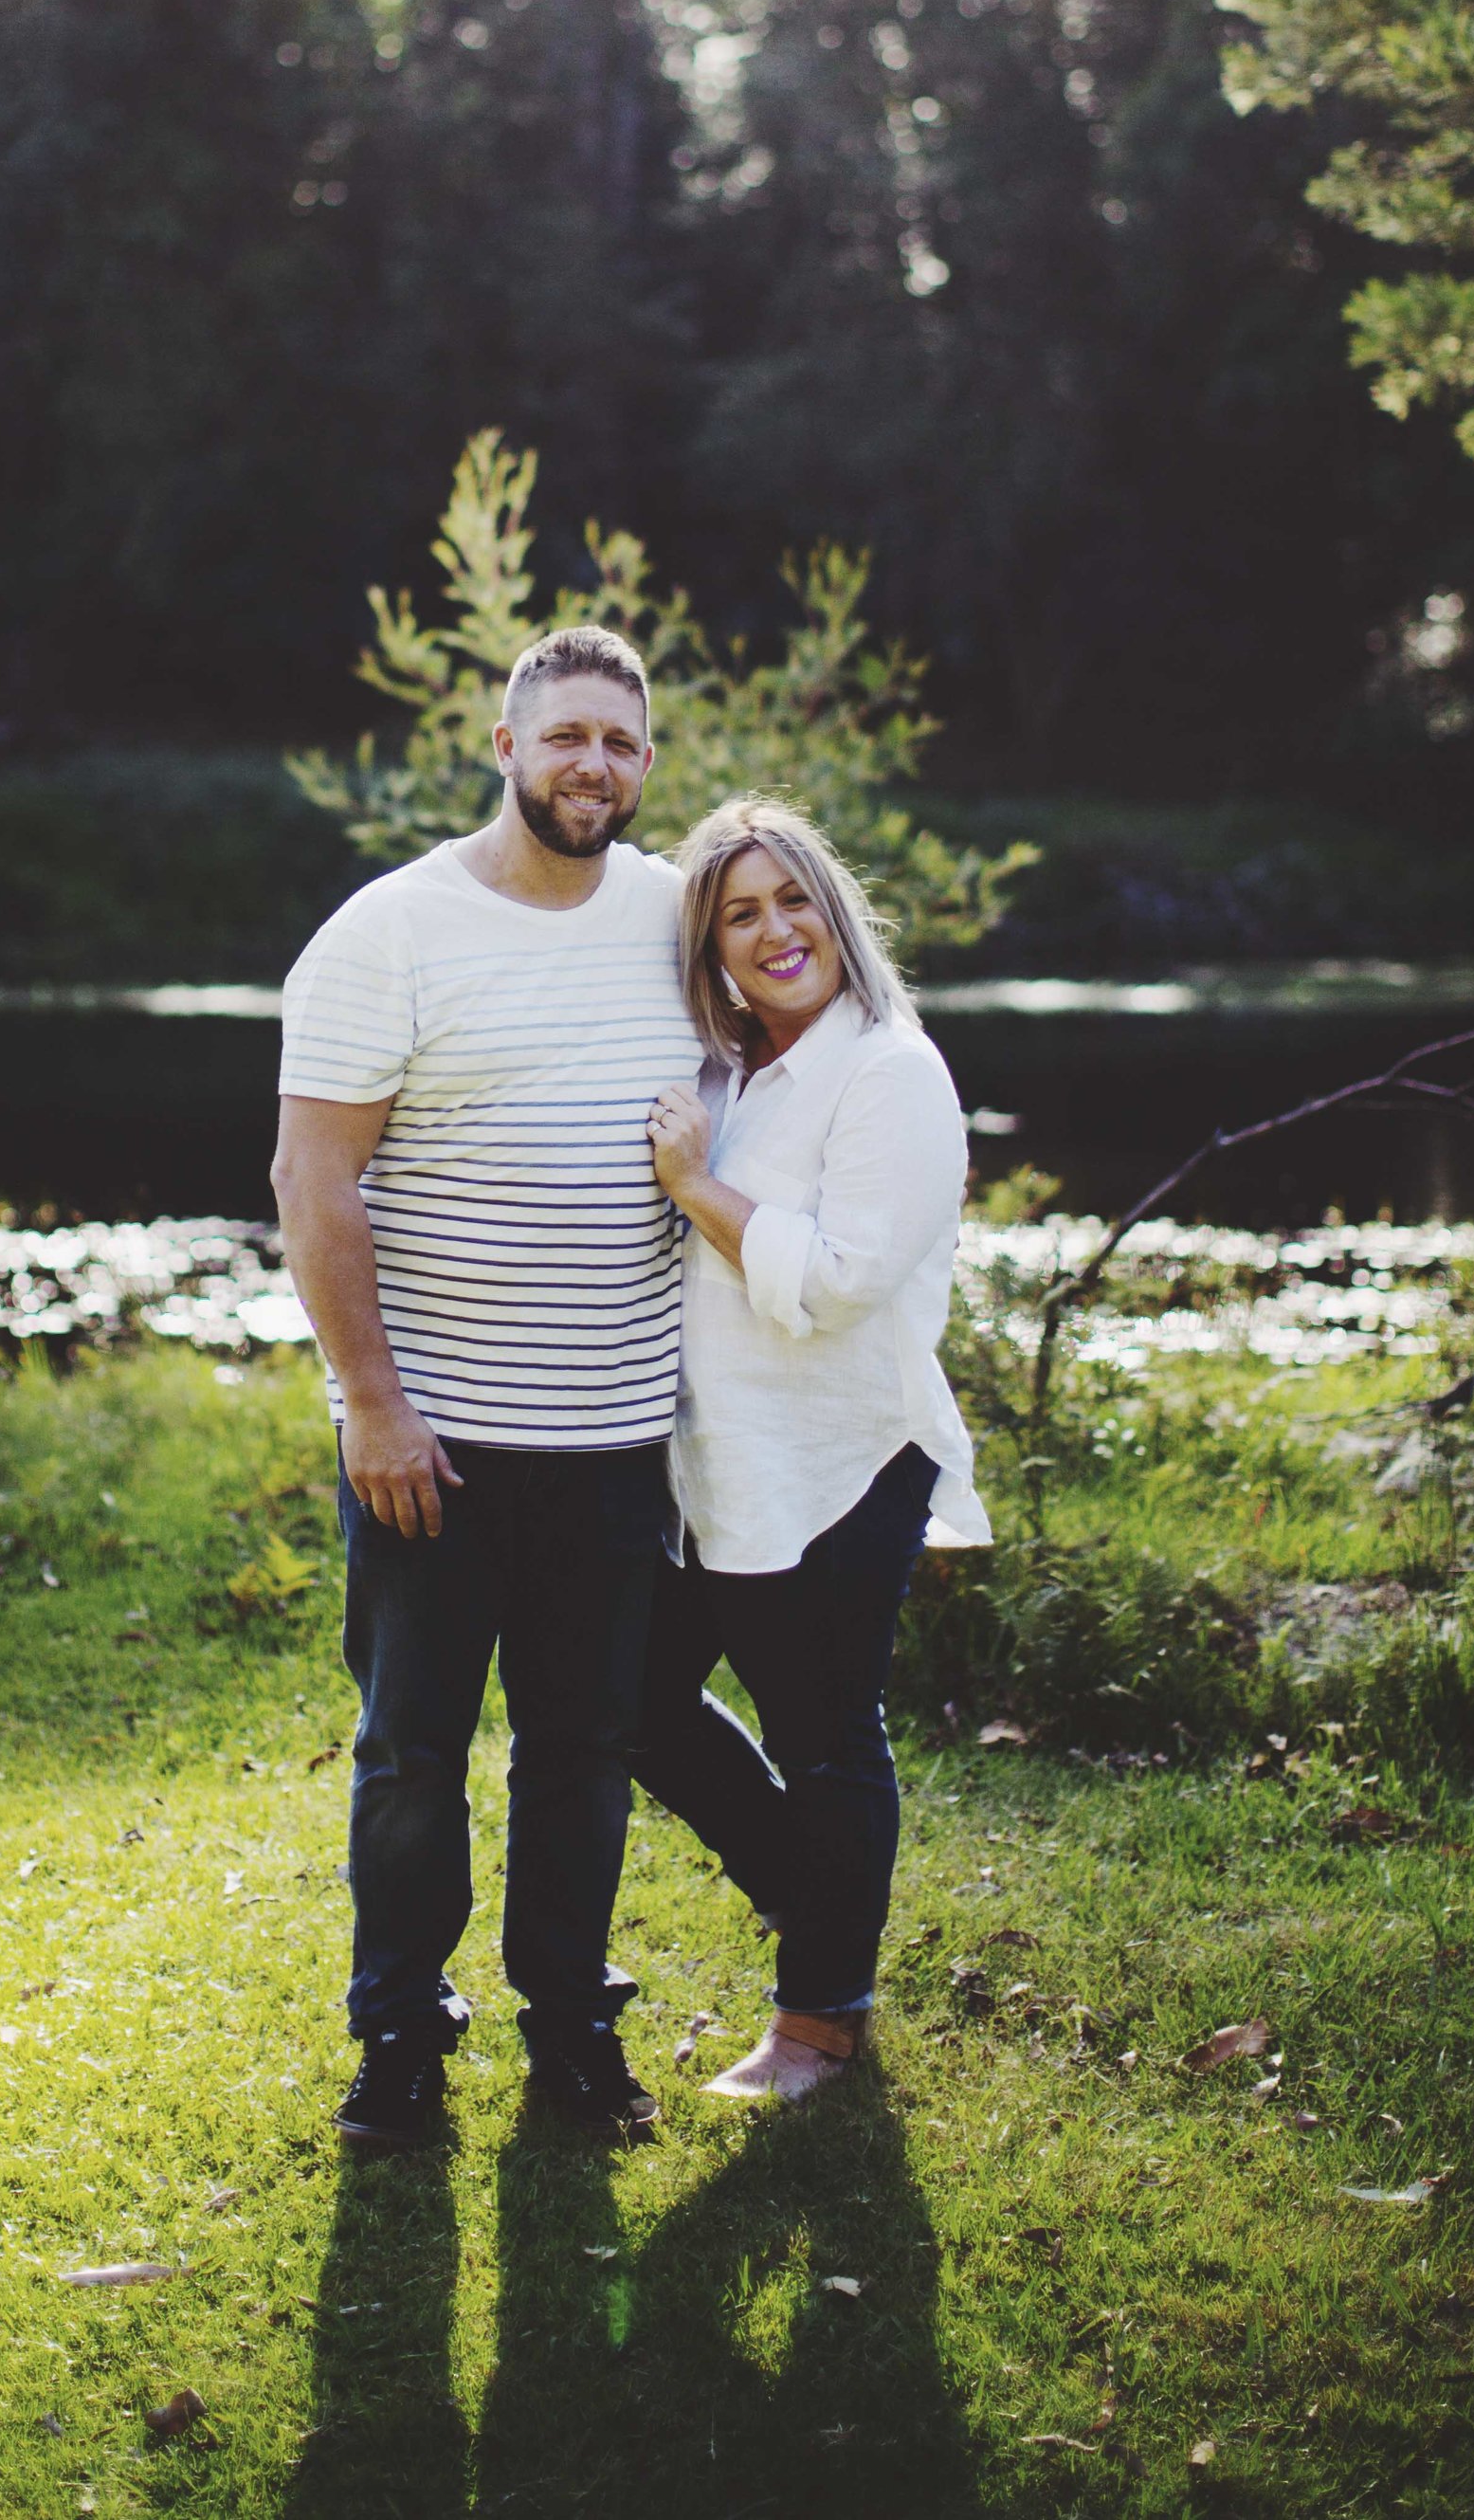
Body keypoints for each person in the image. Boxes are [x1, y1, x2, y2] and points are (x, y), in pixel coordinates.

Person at [271, 626, 701, 2155]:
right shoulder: (391, 931)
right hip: (433, 1444)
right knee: (411, 1759)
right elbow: (314, 1181)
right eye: (567, 734)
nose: (594, 763)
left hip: (615, 1440)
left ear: (648, 768)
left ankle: (573, 2031)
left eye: (623, 743)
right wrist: (374, 1403)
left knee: (584, 1753)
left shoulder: (678, 920)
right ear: (505, 747)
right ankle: (398, 2042)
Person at [637, 796, 989, 2104]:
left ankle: (818, 2020)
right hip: (720, 1464)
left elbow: (838, 1278)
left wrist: (697, 1190)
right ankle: (822, 1897)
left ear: (834, 913)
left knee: (828, 1736)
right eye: (740, 913)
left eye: (794, 900)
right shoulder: (728, 1074)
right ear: (712, 948)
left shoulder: (889, 1067)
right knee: (636, 1703)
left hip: (844, 1461)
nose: (774, 929)